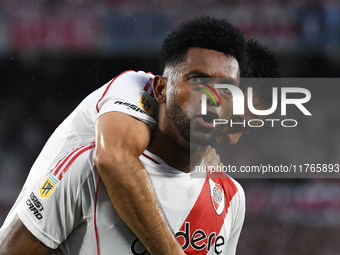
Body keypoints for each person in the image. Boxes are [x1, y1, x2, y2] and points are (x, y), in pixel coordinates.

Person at [0, 16, 249, 255]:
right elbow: (112, 158)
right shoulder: (87, 166)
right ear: (160, 89)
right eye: (197, 80)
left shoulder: (232, 197)